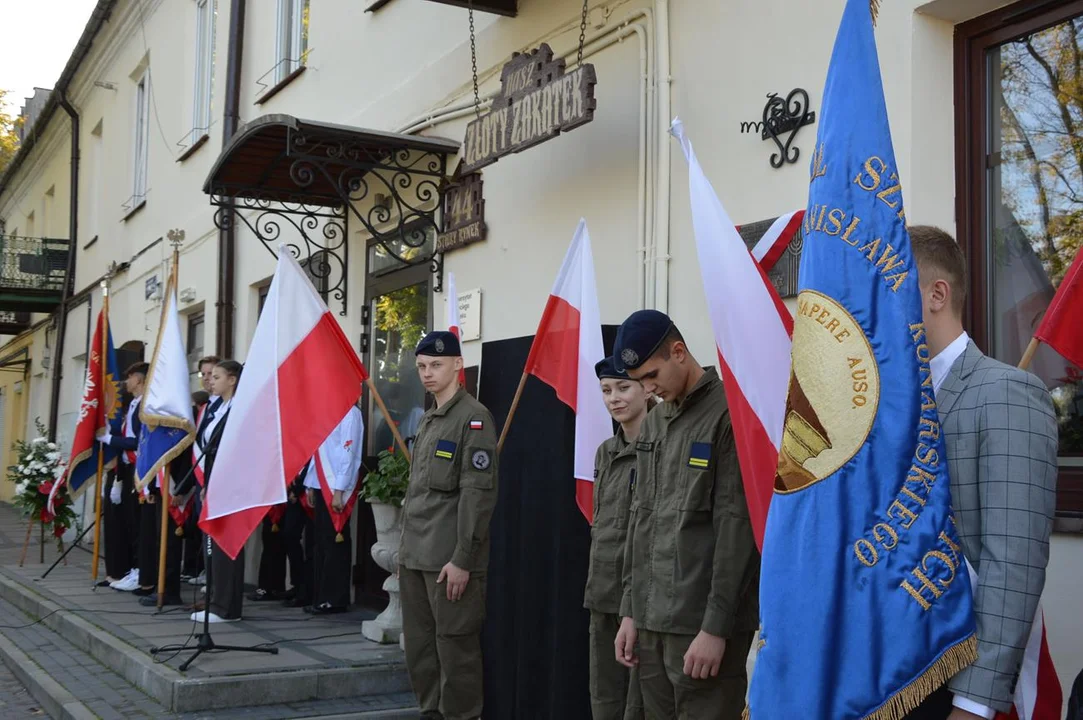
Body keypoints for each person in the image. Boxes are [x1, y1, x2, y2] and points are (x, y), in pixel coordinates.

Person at [903, 226, 1058, 720]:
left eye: (889, 291)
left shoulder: (1007, 393)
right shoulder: (890, 404)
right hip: (891, 677)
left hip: (956, 682)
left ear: (936, 294)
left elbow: (1011, 562)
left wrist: (973, 705)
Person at [611, 310, 759, 720]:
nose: (648, 388)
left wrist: (716, 627)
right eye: (639, 381)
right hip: (652, 619)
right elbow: (641, 520)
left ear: (679, 352)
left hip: (701, 623)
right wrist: (629, 610)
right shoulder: (656, 421)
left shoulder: (729, 413)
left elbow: (737, 528)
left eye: (651, 375)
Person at [400, 330, 498, 720]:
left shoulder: (473, 419)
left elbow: (478, 495)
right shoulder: (428, 420)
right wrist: (403, 554)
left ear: (458, 365)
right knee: (421, 651)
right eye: (422, 366)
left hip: (447, 561)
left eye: (436, 365)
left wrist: (463, 559)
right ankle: (430, 713)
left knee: (455, 650)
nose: (427, 373)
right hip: (414, 557)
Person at [585, 357, 648, 720]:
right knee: (604, 699)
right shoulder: (605, 451)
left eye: (623, 388)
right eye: (606, 390)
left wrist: (633, 604)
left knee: (637, 705)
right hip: (602, 592)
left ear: (645, 388)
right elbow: (603, 526)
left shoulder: (659, 446)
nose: (614, 398)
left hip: (638, 596)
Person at [190, 360, 244, 624]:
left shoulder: (239, 408)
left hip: (231, 481)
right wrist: (207, 485)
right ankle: (215, 600)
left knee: (227, 543)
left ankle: (227, 607)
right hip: (214, 478)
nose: (211, 380)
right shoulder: (218, 408)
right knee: (214, 544)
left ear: (232, 380)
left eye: (218, 376)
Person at [99, 363, 155, 596]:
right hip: (124, 468)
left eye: (130, 377)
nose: (126, 381)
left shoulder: (145, 405)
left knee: (137, 526)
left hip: (138, 469)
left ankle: (140, 572)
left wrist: (108, 439)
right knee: (127, 524)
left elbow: (137, 442)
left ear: (140, 380)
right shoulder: (131, 404)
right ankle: (127, 570)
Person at [303, 403, 364, 614]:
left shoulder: (351, 414)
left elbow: (349, 453)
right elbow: (318, 450)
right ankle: (321, 596)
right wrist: (311, 483)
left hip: (336, 487)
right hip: (321, 485)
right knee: (320, 542)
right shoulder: (327, 411)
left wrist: (339, 489)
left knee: (334, 543)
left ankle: (335, 598)